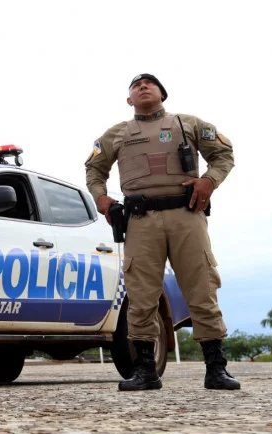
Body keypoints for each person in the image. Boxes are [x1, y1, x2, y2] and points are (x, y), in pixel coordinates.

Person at [85, 74, 240, 391]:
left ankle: (216, 368)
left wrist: (209, 181)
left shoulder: (189, 124)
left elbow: (223, 154)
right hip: (141, 221)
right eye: (135, 86)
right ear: (130, 100)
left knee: (201, 287)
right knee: (141, 294)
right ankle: (145, 370)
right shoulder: (117, 134)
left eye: (149, 83)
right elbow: (94, 169)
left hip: (188, 216)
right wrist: (101, 199)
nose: (142, 86)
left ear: (162, 94)